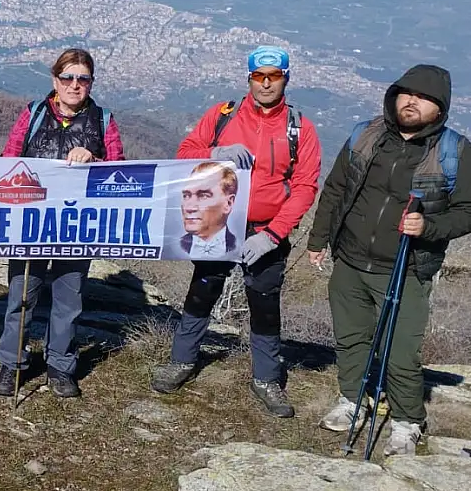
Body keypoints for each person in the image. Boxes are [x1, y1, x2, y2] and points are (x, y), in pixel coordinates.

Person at [308, 64, 471, 456]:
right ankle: (352, 401)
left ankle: (407, 421)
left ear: (440, 108)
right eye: (407, 92)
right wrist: (318, 240)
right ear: (394, 95)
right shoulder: (365, 136)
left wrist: (427, 226)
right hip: (349, 259)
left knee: (401, 354)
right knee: (351, 339)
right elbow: (335, 190)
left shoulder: (454, 151)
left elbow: (466, 211)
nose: (412, 101)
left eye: (425, 97)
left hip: (406, 268)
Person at [151, 45, 321, 418]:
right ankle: (182, 360)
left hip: (265, 230)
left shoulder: (299, 129)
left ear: (285, 80)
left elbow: (306, 186)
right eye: (258, 76)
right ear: (249, 79)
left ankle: (266, 379)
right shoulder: (223, 116)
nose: (265, 84)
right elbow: (184, 155)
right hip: (220, 224)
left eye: (273, 77)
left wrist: (274, 235)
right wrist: (216, 152)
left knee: (264, 302)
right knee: (203, 289)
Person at [0, 48, 125, 398]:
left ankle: (60, 366)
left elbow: (120, 173)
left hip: (77, 225)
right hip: (30, 222)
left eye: (83, 78)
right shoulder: (34, 114)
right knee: (22, 294)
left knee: (69, 299)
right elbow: (8, 159)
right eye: (68, 77)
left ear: (91, 82)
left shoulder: (103, 121)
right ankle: (12, 363)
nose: (75, 85)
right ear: (55, 80)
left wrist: (94, 160)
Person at [178, 162, 239, 258]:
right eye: (186, 196)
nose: (189, 208)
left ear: (228, 203)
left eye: (203, 196)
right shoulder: (176, 246)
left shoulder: (238, 245)